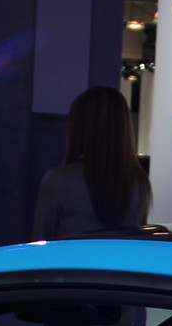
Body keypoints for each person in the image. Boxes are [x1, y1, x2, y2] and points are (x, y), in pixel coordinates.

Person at [31, 84, 150, 238]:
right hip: (119, 262)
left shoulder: (58, 180)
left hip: (71, 262)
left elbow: (40, 243)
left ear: (79, 127)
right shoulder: (139, 181)